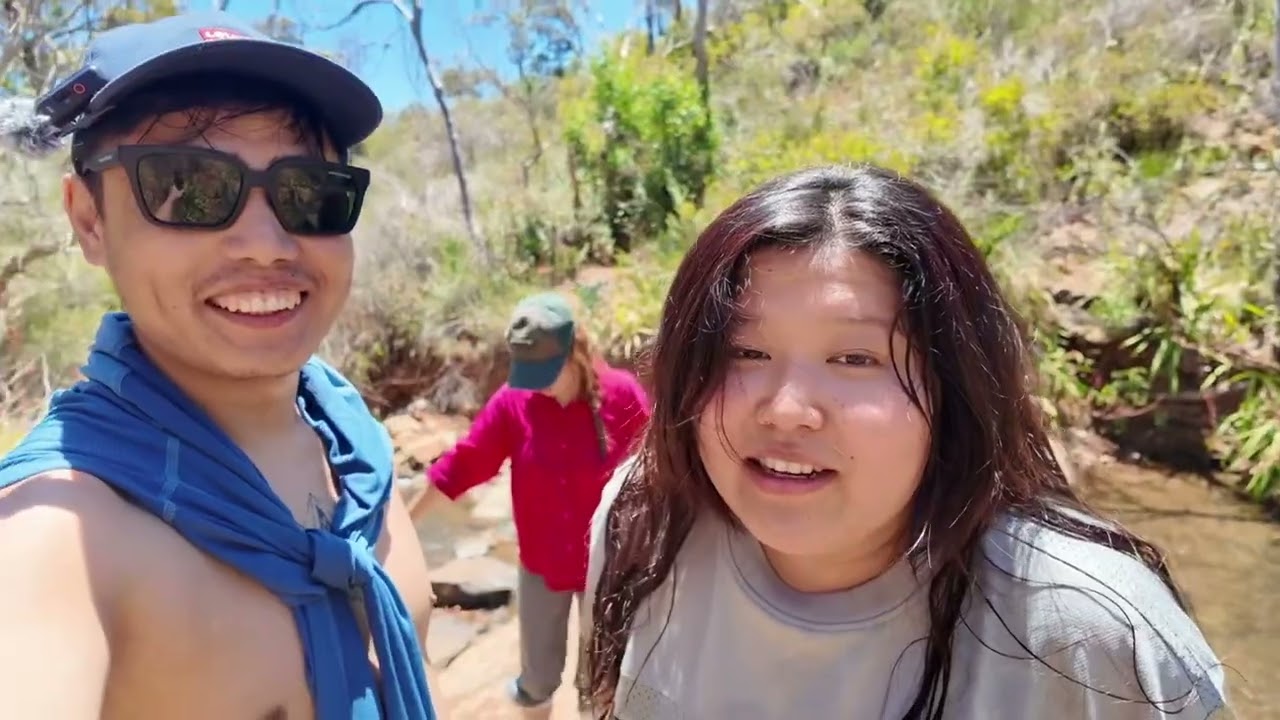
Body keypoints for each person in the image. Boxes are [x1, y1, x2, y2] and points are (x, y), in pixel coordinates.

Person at [584, 165, 1231, 719]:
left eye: (854, 359)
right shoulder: (643, 522)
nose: (786, 410)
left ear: (956, 388)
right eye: (744, 352)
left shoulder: (1085, 629)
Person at [0, 11, 438, 720]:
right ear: (89, 219)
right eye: (188, 187)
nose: (267, 244)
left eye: (308, 191)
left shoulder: (358, 457)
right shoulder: (57, 538)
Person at [409, 291, 650, 719]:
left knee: (600, 684)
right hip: (542, 563)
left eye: (546, 373)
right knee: (536, 682)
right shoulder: (513, 402)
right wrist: (404, 523)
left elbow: (659, 469)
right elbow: (465, 463)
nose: (537, 383)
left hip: (611, 564)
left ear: (575, 352)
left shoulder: (623, 394)